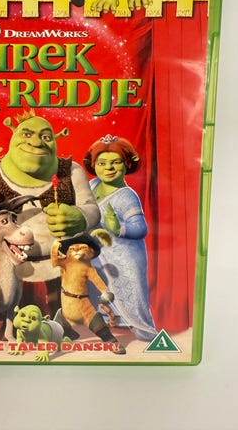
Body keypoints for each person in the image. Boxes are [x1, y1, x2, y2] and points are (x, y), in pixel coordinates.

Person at [0, 111, 100, 314]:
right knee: (13, 305)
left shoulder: (71, 171)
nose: (36, 142)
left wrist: (80, 217)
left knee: (61, 308)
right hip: (11, 264)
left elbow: (91, 208)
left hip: (59, 263)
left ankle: (60, 321)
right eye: (27, 134)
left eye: (45, 137)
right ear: (14, 136)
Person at [83, 134, 157, 341]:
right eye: (102, 163)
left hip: (125, 257)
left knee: (131, 296)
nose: (108, 168)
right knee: (97, 288)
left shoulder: (127, 196)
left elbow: (141, 229)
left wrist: (118, 228)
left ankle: (143, 332)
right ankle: (106, 323)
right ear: (94, 165)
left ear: (127, 164)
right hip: (98, 254)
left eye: (115, 162)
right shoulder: (91, 185)